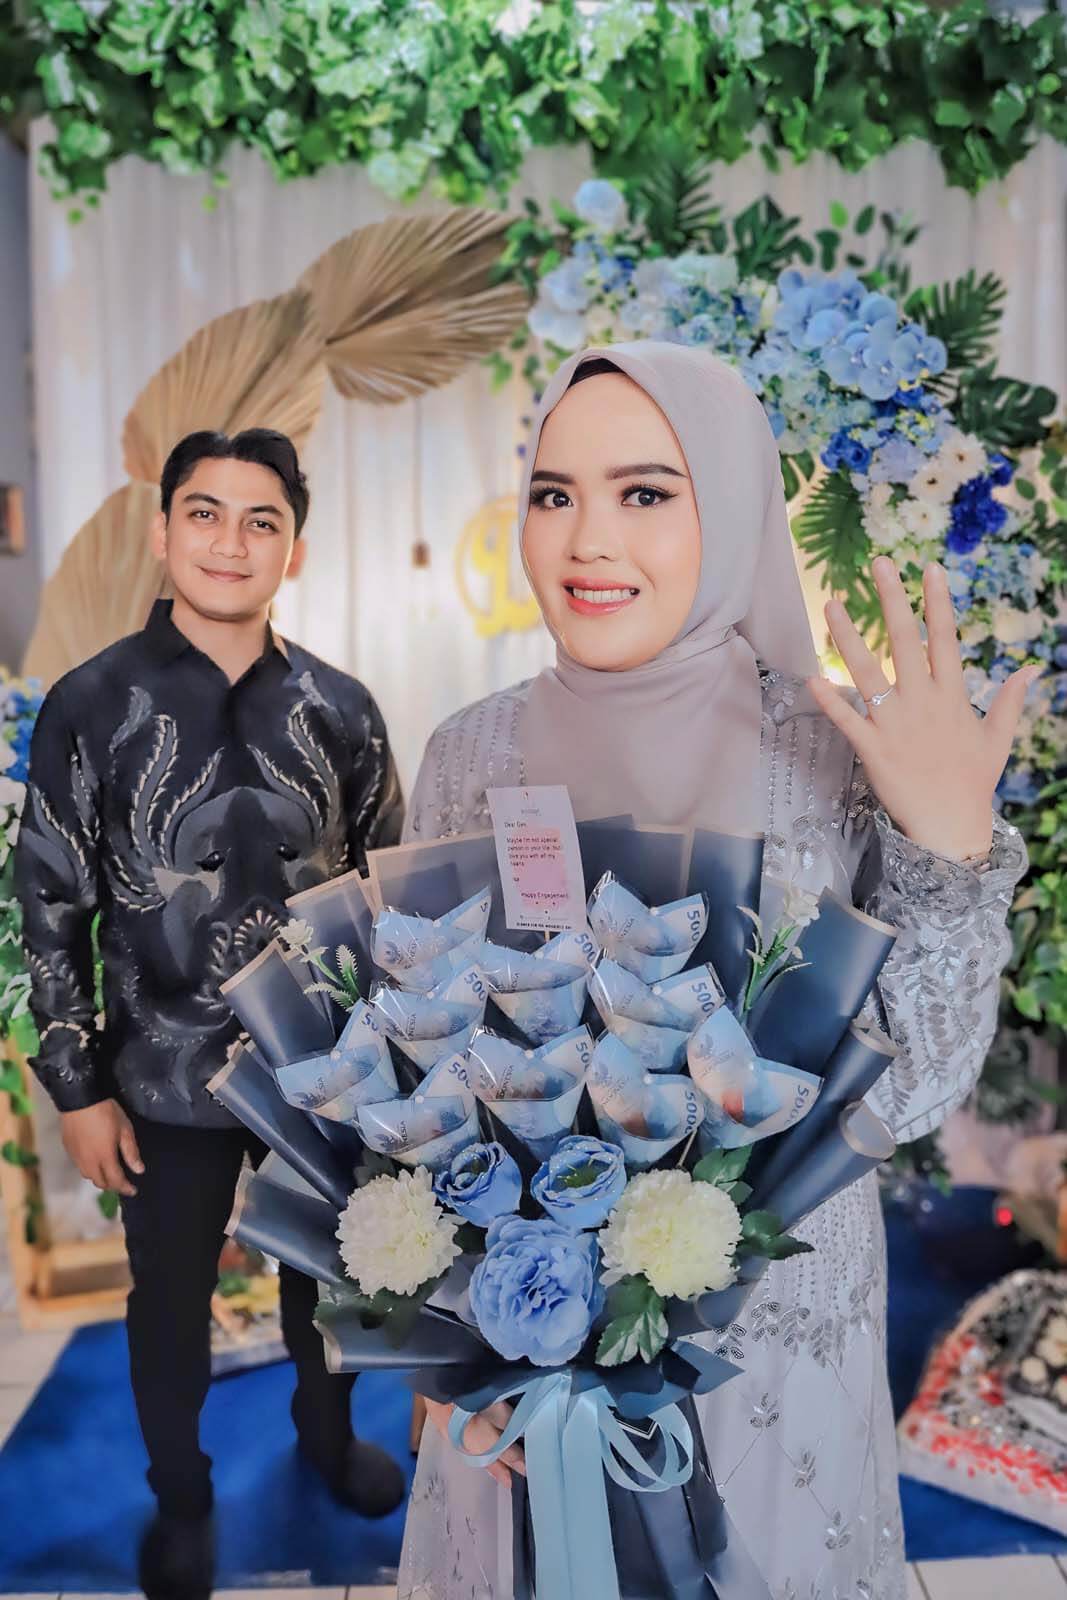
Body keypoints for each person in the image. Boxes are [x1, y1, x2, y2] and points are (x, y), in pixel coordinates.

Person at [395, 344, 1031, 1599]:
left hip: (771, 1340)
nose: (586, 538)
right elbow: (420, 1066)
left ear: (731, 506)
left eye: (644, 491)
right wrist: (439, 1344)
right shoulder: (469, 750)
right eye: (553, 493)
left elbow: (909, 1092)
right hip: (521, 1339)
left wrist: (949, 854)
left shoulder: (832, 751)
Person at [15, 428, 406, 1600]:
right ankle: (181, 1496)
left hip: (320, 1071)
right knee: (170, 1300)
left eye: (260, 520)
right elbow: (49, 901)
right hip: (159, 1071)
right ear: (161, 530)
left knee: (328, 1280)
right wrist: (77, 1087)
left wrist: (395, 1067)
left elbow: (387, 894)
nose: (230, 541)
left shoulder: (341, 707)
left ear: (293, 547)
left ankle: (326, 1439)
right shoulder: (90, 703)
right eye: (204, 512)